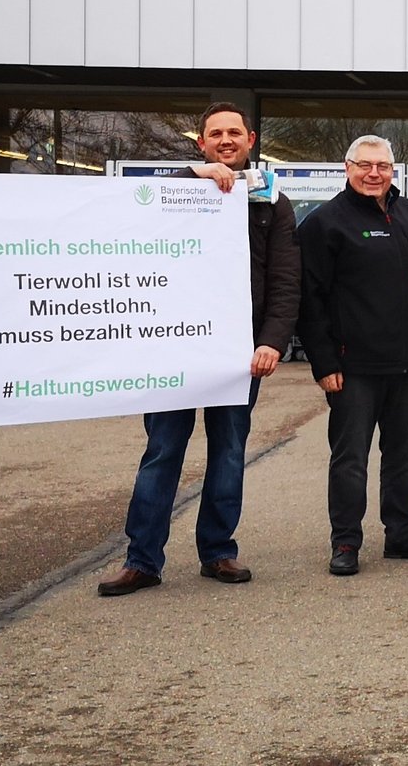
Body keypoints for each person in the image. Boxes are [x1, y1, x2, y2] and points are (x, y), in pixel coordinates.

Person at [98, 103, 301, 596]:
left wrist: (272, 341)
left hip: (240, 353)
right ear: (201, 143)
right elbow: (124, 203)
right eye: (216, 134)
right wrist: (191, 174)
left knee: (228, 452)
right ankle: (142, 560)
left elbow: (285, 279)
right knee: (163, 450)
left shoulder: (271, 202)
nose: (226, 140)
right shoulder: (174, 188)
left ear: (251, 140)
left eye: (235, 132)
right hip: (173, 348)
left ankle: (218, 552)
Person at [298, 134, 408, 575]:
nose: (373, 174)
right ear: (347, 169)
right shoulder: (325, 223)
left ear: (393, 170)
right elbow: (310, 301)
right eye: (364, 165)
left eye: (382, 166)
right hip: (354, 367)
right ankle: (346, 542)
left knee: (405, 453)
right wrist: (325, 362)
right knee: (350, 458)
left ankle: (402, 532)